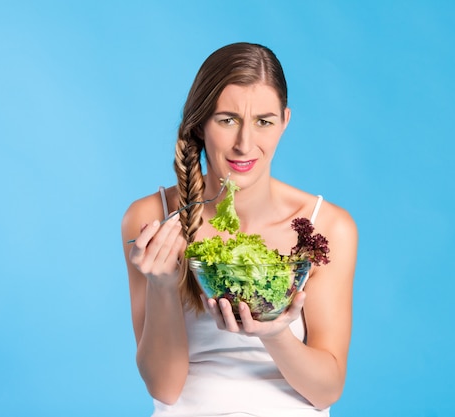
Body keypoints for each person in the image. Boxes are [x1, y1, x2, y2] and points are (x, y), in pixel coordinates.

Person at [121, 42, 358, 416]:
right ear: (200, 123)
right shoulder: (152, 217)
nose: (245, 144)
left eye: (263, 121)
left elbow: (326, 391)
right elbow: (165, 389)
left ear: (284, 122)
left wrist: (274, 332)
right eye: (227, 119)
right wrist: (162, 286)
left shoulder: (327, 225)